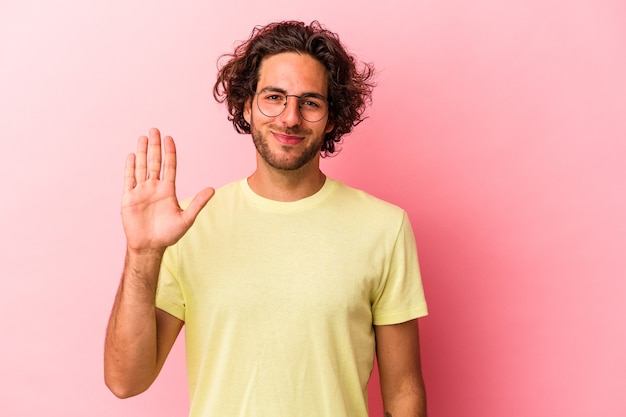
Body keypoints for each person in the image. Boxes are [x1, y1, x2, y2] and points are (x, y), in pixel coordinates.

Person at [104, 20, 428, 417]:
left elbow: (403, 390)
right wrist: (142, 253)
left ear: (330, 118)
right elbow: (125, 381)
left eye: (310, 102)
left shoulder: (384, 227)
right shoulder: (188, 226)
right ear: (247, 105)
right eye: (274, 97)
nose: (290, 118)